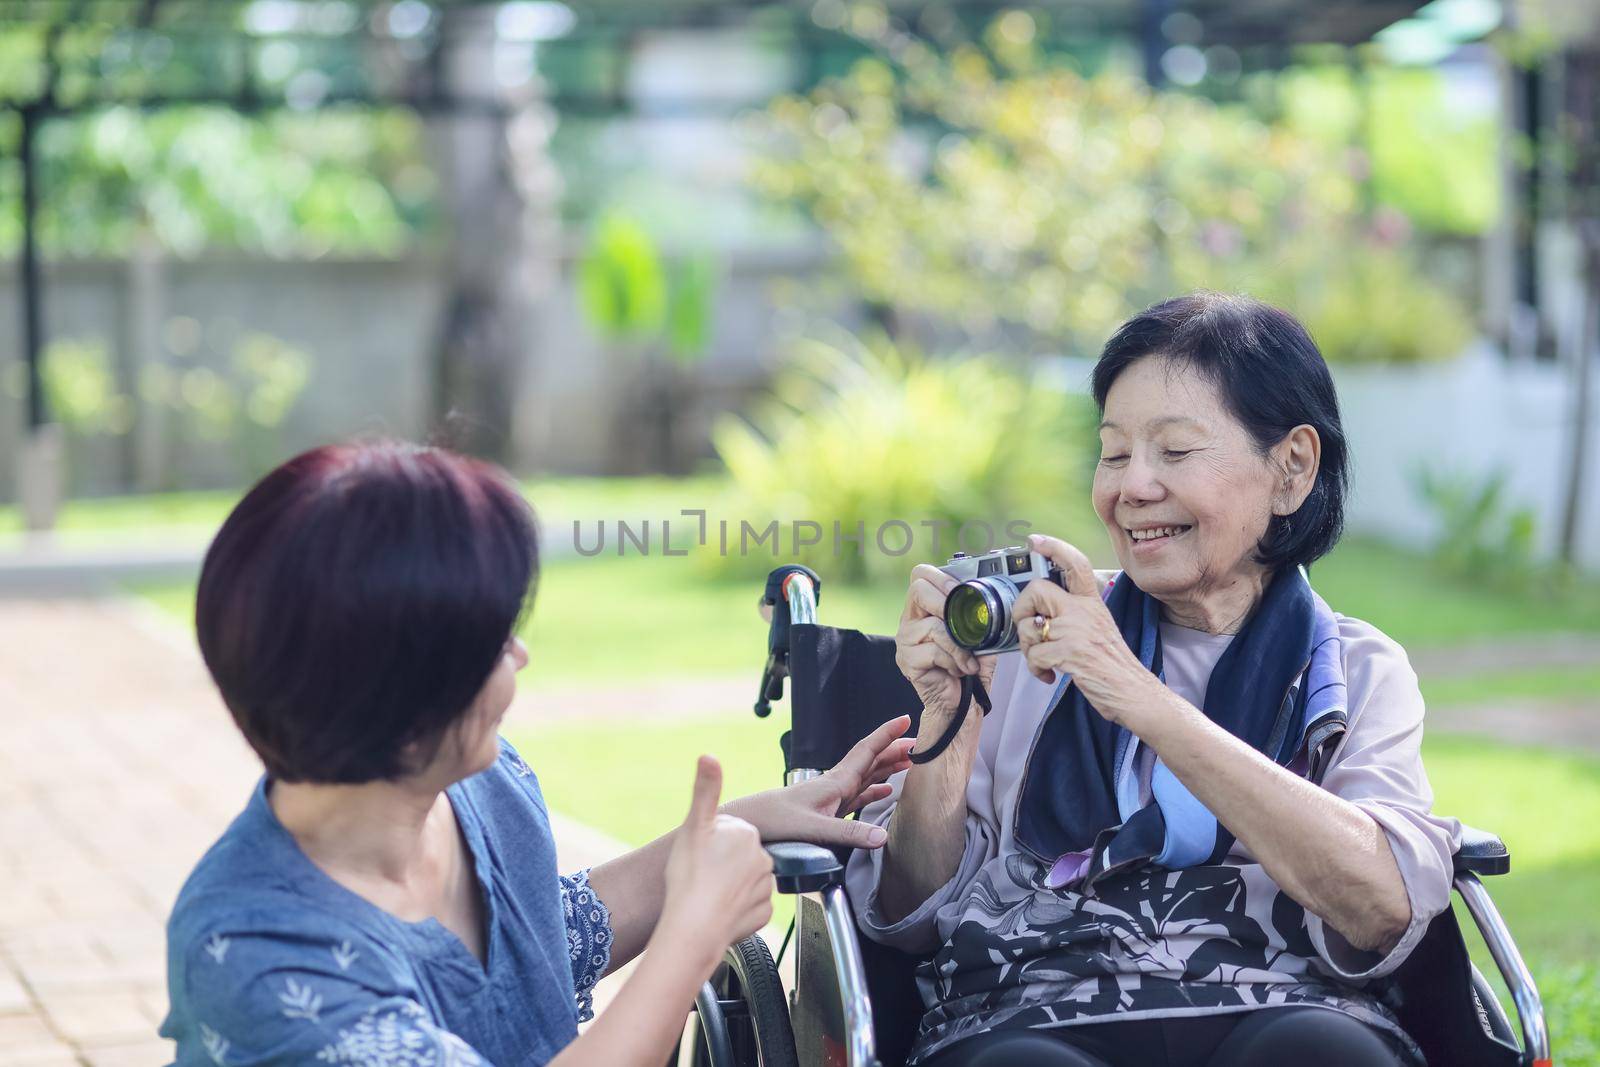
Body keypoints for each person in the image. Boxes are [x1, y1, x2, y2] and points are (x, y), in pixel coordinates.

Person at [845, 293, 1460, 1067]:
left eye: (1173, 451)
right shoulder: (1028, 640)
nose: (1132, 486)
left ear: (1292, 468)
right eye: (1113, 451)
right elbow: (907, 913)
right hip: (1029, 1003)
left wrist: (1136, 693)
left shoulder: (1356, 670)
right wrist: (952, 719)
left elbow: (1381, 906)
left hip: (1285, 998)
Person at [160, 440, 915, 1065]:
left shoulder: (482, 788)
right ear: (399, 696)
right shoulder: (255, 949)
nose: (520, 653)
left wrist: (755, 822)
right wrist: (690, 936)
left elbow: (543, 942)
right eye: (492, 641)